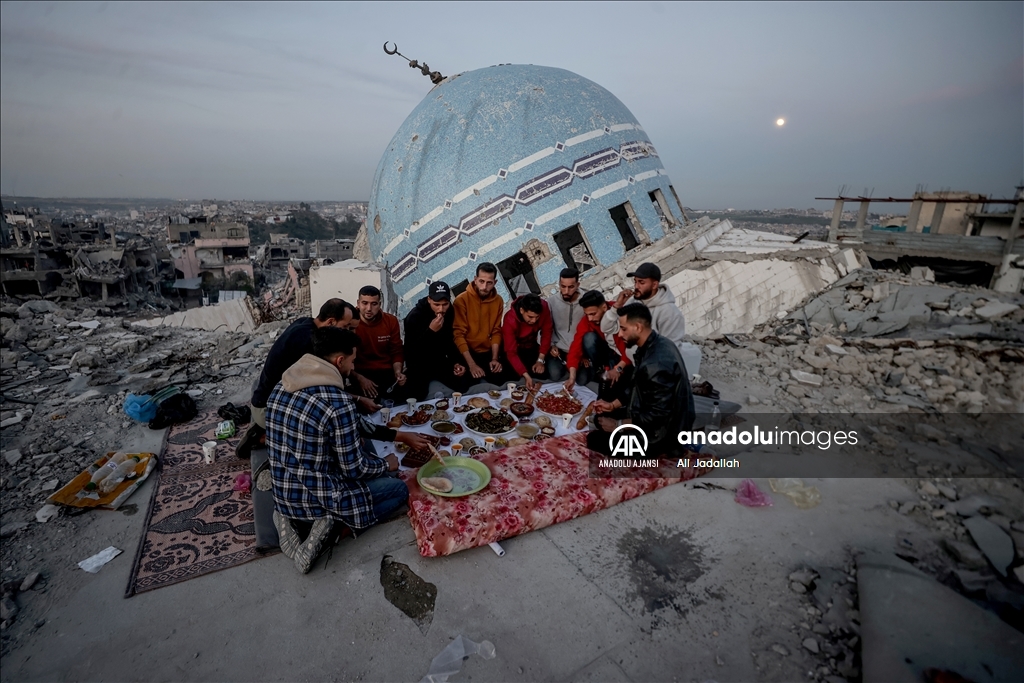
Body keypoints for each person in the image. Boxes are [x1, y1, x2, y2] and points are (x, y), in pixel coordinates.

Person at [266, 327, 430, 574]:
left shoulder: (283, 384)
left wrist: (398, 434)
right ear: (339, 361)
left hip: (285, 487)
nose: (353, 367)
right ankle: (334, 530)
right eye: (353, 361)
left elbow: (353, 424)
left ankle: (285, 515)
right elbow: (354, 468)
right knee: (397, 488)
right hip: (319, 496)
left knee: (363, 455)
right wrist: (387, 464)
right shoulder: (338, 402)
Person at [238, 298, 357, 458]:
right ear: (330, 323)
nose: (347, 333)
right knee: (327, 434)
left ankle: (264, 431)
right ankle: (267, 438)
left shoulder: (306, 323)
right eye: (345, 328)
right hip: (268, 409)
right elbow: (320, 396)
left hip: (263, 398)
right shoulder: (308, 343)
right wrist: (356, 402)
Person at [588, 303, 695, 458]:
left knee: (594, 440)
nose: (619, 334)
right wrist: (612, 405)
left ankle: (664, 451)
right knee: (600, 419)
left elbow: (657, 417)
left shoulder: (656, 364)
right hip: (650, 413)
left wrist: (618, 425)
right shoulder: (655, 343)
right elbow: (637, 385)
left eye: (623, 329)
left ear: (637, 327)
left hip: (662, 433)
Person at [403, 281, 467, 398]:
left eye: (445, 304)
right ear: (429, 300)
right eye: (436, 304)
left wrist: (456, 362)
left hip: (440, 361)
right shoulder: (414, 317)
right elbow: (412, 353)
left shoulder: (450, 311)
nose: (441, 309)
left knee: (463, 384)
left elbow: (449, 340)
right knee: (415, 395)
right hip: (419, 365)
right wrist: (431, 331)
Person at [563, 290, 632, 396]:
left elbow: (630, 350)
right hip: (605, 354)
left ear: (604, 307)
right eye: (587, 315)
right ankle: (601, 369)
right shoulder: (587, 320)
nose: (590, 318)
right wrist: (571, 377)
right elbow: (575, 348)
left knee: (616, 389)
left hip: (623, 356)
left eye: (593, 314)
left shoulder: (620, 315)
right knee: (588, 339)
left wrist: (618, 369)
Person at [603, 262, 686, 346]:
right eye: (635, 282)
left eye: (641, 282)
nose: (636, 286)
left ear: (654, 285)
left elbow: (669, 349)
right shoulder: (633, 301)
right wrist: (617, 306)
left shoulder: (670, 312)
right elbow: (607, 328)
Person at [452, 262, 505, 386]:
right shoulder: (461, 300)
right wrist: (472, 365)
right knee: (463, 384)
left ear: (495, 283)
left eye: (489, 283)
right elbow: (458, 335)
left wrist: (495, 359)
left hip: (487, 351)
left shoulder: (498, 301)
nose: (484, 287)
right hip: (467, 352)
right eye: (481, 281)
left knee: (502, 380)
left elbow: (496, 331)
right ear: (475, 280)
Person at [351, 285, 406, 401]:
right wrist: (359, 378)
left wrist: (398, 372)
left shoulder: (391, 321)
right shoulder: (350, 322)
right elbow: (342, 359)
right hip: (360, 373)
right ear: (358, 303)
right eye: (364, 303)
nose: (369, 308)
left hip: (386, 372)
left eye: (374, 304)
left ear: (380, 304)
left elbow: (396, 350)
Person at [501, 293, 552, 390]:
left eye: (537, 317)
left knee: (543, 373)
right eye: (530, 317)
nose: (534, 321)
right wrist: (526, 376)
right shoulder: (509, 320)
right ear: (521, 310)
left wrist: (540, 360)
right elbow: (511, 352)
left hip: (531, 346)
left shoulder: (544, 307)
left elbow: (547, 333)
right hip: (515, 348)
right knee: (511, 376)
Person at [545, 267, 585, 382]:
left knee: (582, 380)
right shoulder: (551, 302)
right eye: (563, 286)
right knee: (555, 375)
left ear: (577, 285)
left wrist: (584, 353)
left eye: (571, 287)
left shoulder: (586, 300)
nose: (566, 291)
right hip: (559, 350)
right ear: (559, 284)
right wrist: (552, 345)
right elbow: (546, 328)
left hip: (578, 350)